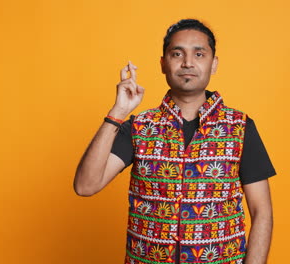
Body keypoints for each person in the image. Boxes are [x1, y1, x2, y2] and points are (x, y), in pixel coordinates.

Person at [74, 19, 276, 264]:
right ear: (163, 64)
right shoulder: (140, 127)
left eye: (199, 54)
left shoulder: (240, 127)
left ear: (213, 64)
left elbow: (261, 212)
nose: (188, 62)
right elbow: (86, 186)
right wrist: (117, 112)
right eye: (177, 53)